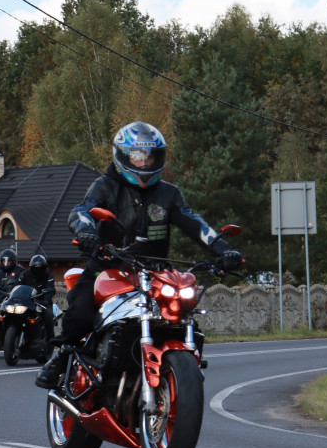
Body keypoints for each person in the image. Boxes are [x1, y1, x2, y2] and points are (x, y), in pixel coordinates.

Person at [35, 121, 242, 388]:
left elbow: (196, 224)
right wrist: (86, 232)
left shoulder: (169, 194)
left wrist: (223, 249)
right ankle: (62, 356)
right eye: (137, 157)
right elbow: (81, 211)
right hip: (109, 267)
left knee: (181, 313)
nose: (144, 164)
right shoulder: (105, 186)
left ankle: (181, 366)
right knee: (81, 310)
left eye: (150, 157)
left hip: (155, 273)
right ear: (123, 155)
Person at [18, 254, 56, 346]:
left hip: (42, 302)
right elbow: (17, 287)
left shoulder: (49, 275)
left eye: (40, 268)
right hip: (26, 302)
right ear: (31, 267)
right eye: (35, 268)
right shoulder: (25, 275)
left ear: (44, 267)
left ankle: (49, 338)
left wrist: (46, 300)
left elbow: (50, 289)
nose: (38, 270)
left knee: (48, 315)